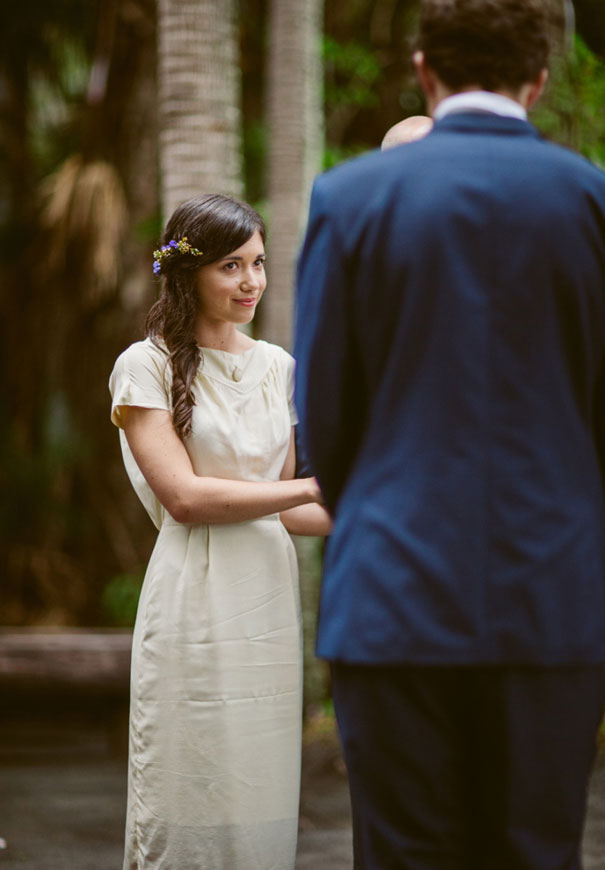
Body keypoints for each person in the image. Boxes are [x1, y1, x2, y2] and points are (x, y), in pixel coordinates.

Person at [294, 1, 605, 867]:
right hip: (555, 596)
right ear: (537, 82)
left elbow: (326, 413)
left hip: (391, 591)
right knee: (538, 851)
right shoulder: (590, 200)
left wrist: (385, 513)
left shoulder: (348, 197)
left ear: (425, 71)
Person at [109, 193, 330, 870]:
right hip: (193, 597)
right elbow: (182, 497)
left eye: (258, 263)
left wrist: (378, 500)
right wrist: (315, 486)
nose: (251, 282)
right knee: (190, 785)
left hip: (266, 600)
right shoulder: (142, 365)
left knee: (258, 792)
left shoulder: (279, 368)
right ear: (189, 273)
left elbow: (293, 510)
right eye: (231, 266)